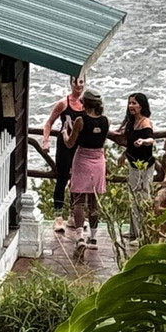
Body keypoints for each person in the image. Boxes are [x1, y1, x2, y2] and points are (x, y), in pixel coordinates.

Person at [63, 88, 109, 247]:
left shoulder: (80, 120)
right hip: (99, 160)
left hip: (82, 159)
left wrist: (64, 133)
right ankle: (94, 237)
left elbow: (70, 143)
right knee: (94, 201)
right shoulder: (106, 121)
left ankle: (80, 237)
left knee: (79, 200)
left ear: (84, 103)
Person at [40, 75, 86, 232]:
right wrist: (45, 141)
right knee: (62, 179)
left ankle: (73, 215)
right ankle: (58, 217)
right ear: (71, 83)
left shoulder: (86, 104)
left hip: (80, 146)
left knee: (77, 181)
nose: (78, 85)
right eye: (75, 82)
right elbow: (49, 122)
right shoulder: (63, 103)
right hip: (65, 146)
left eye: (81, 82)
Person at [111, 92, 156, 240]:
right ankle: (134, 232)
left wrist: (143, 141)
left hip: (145, 166)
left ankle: (144, 232)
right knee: (133, 197)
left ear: (141, 106)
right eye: (130, 103)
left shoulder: (145, 122)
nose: (131, 106)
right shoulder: (130, 123)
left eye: (134, 103)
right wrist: (123, 155)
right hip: (133, 164)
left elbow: (151, 139)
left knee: (143, 196)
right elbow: (128, 142)